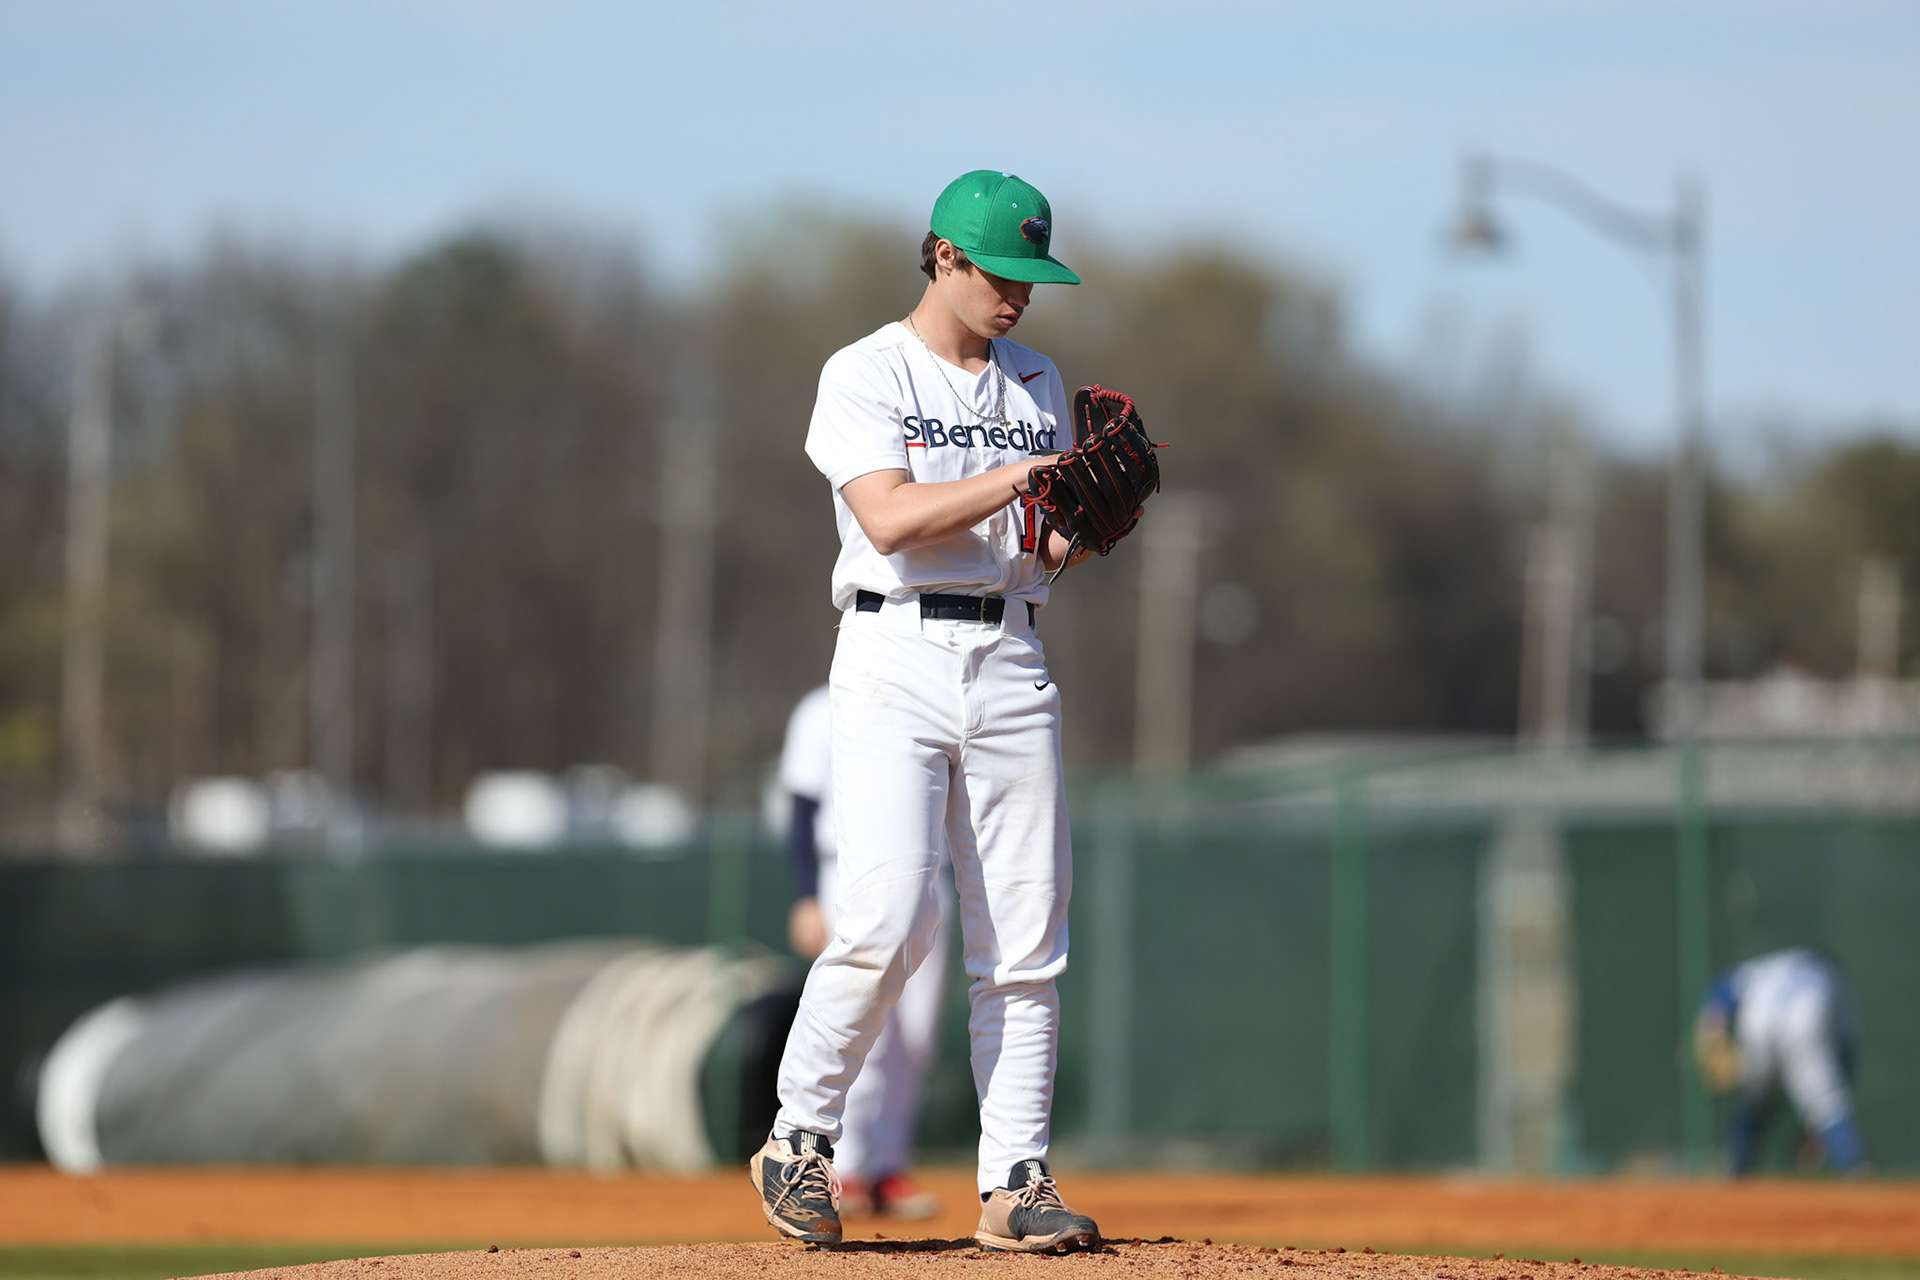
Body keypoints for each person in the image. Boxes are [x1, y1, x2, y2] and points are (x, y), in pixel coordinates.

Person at [748, 169, 1102, 1253]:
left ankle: (1016, 1179)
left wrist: (1087, 524)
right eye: (1002, 273)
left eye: (1032, 278)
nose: (1019, 295)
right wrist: (1024, 478)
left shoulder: (1037, 379)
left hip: (1010, 652)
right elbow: (891, 519)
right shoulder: (865, 369)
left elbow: (1036, 550)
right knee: (890, 917)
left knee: (1027, 938)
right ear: (944, 255)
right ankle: (799, 1137)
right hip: (893, 649)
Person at [777, 682, 949, 1219]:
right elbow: (799, 811)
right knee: (865, 1026)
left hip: (933, 876)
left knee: (916, 1037)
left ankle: (889, 1168)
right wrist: (805, 896)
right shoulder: (818, 708)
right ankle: (846, 1169)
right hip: (847, 874)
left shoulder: (931, 690)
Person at [1694, 946, 1866, 1175]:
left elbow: (1722, 989)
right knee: (1827, 1104)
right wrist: (1819, 1130)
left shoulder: (1771, 966)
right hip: (1805, 1019)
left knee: (1756, 1099)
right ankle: (1856, 1166)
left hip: (1758, 1023)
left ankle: (1733, 1164)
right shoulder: (1830, 974)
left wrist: (1713, 1028)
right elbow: (1846, 1050)